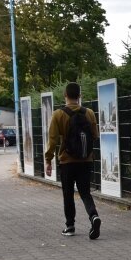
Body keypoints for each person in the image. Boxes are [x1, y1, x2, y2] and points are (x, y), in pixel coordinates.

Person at [45, 82, 102, 239]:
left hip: (67, 161)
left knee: (68, 194)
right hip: (86, 159)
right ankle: (93, 216)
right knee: (85, 192)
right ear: (79, 96)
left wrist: (48, 160)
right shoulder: (89, 113)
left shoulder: (58, 114)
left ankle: (70, 226)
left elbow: (53, 140)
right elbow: (95, 136)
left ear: (65, 95)